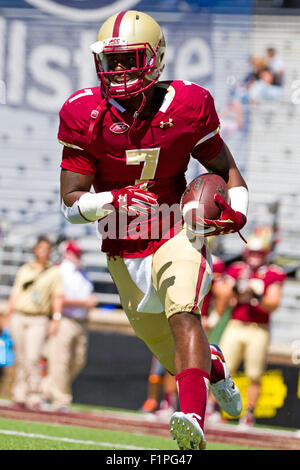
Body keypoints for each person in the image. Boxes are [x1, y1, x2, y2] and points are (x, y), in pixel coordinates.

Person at [58, 10, 248, 450]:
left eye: (130, 59)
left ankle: (193, 421)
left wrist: (236, 211)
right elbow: (70, 205)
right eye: (113, 61)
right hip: (122, 243)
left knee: (185, 312)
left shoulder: (188, 104)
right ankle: (213, 369)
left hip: (177, 230)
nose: (119, 70)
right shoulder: (83, 112)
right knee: (169, 350)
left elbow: (228, 170)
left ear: (155, 57)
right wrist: (111, 200)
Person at [213, 226, 287, 427]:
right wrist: (236, 289)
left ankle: (249, 414)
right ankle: (213, 409)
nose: (255, 256)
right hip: (236, 325)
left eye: (259, 253)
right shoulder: (237, 269)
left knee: (254, 373)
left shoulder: (273, 274)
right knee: (222, 370)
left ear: (266, 254)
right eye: (253, 252)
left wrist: (256, 296)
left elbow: (272, 304)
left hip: (258, 328)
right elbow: (223, 292)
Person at [1, 236, 64, 410]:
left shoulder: (53, 272)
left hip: (39, 318)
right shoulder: (25, 269)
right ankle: (19, 394)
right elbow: (16, 294)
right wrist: (7, 315)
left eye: (46, 248)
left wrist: (56, 319)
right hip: (19, 316)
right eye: (40, 248)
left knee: (33, 357)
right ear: (35, 250)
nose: (43, 251)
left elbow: (57, 297)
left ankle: (34, 395)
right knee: (20, 357)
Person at [41, 240, 98, 411]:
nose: (78, 256)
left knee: (78, 360)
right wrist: (83, 303)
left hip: (81, 322)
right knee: (60, 361)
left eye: (79, 253)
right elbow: (56, 298)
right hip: (65, 319)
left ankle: (46, 388)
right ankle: (61, 399)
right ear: (67, 253)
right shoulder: (60, 271)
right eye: (75, 253)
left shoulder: (82, 272)